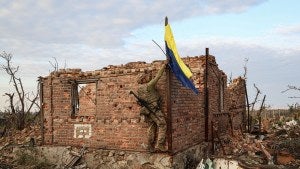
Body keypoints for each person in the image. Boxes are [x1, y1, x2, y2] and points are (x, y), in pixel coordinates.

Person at [137, 64, 167, 152]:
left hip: (146, 111)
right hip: (154, 110)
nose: (147, 78)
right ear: (143, 79)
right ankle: (159, 145)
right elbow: (158, 76)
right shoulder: (149, 86)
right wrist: (164, 65)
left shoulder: (139, 90)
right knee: (162, 124)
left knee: (151, 127)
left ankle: (150, 146)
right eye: (145, 77)